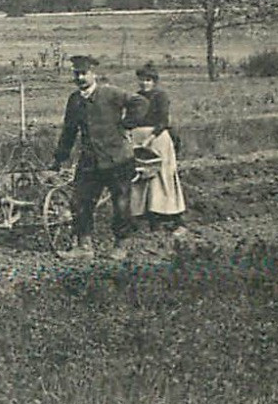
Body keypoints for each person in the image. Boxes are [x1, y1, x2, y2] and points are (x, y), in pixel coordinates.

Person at [51, 54, 135, 260]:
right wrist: (60, 158)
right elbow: (69, 132)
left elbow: (139, 102)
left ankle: (121, 245)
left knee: (121, 204)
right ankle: (84, 246)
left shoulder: (111, 93)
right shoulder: (75, 100)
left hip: (118, 159)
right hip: (90, 161)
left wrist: (128, 123)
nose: (80, 78)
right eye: (76, 74)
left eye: (83, 73)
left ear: (93, 74)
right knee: (80, 201)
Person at [124, 63, 187, 234]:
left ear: (154, 81)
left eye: (148, 80)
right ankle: (147, 219)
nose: (145, 83)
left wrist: (150, 139)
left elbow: (163, 122)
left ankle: (177, 220)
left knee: (163, 177)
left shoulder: (160, 96)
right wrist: (128, 133)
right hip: (138, 140)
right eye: (142, 80)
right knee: (140, 178)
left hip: (157, 139)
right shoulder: (135, 98)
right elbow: (129, 120)